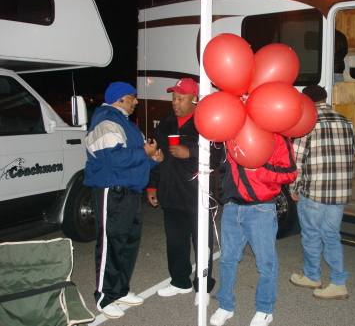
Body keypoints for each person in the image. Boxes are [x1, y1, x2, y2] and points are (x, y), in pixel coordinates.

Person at [84, 82, 163, 319]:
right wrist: (145, 153)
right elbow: (113, 159)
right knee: (111, 244)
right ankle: (104, 296)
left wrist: (153, 159)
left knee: (128, 243)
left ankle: (119, 290)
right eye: (132, 97)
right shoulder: (106, 120)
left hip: (130, 192)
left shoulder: (128, 125)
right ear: (119, 99)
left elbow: (136, 159)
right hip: (113, 190)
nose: (136, 101)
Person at [209, 134, 297, 326]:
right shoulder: (231, 134)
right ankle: (225, 305)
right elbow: (223, 167)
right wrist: (225, 196)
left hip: (261, 208)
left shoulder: (276, 137)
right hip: (232, 207)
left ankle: (265, 309)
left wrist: (259, 168)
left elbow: (289, 173)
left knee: (266, 263)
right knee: (227, 260)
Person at [146, 78, 219, 306]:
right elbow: (157, 156)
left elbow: (219, 154)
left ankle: (203, 286)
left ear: (194, 100)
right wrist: (151, 186)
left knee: (202, 243)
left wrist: (192, 152)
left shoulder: (206, 121)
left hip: (197, 193)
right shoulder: (166, 123)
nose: (175, 103)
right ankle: (180, 282)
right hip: (170, 192)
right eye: (173, 98)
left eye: (180, 98)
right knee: (175, 242)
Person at [289, 84, 355, 300]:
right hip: (340, 192)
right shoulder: (347, 122)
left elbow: (297, 161)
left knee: (311, 236)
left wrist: (293, 189)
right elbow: (353, 151)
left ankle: (312, 276)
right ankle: (338, 282)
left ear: (306, 102)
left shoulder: (306, 123)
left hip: (315, 192)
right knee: (331, 235)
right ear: (325, 98)